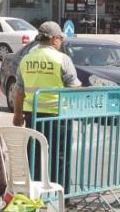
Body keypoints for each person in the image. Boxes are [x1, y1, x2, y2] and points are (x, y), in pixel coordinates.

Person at [13, 21, 81, 191]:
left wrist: (17, 114)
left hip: (33, 116)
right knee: (59, 156)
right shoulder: (62, 59)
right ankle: (59, 194)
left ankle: (36, 193)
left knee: (35, 155)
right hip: (58, 116)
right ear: (55, 39)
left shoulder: (26, 59)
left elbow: (19, 91)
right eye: (60, 39)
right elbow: (74, 88)